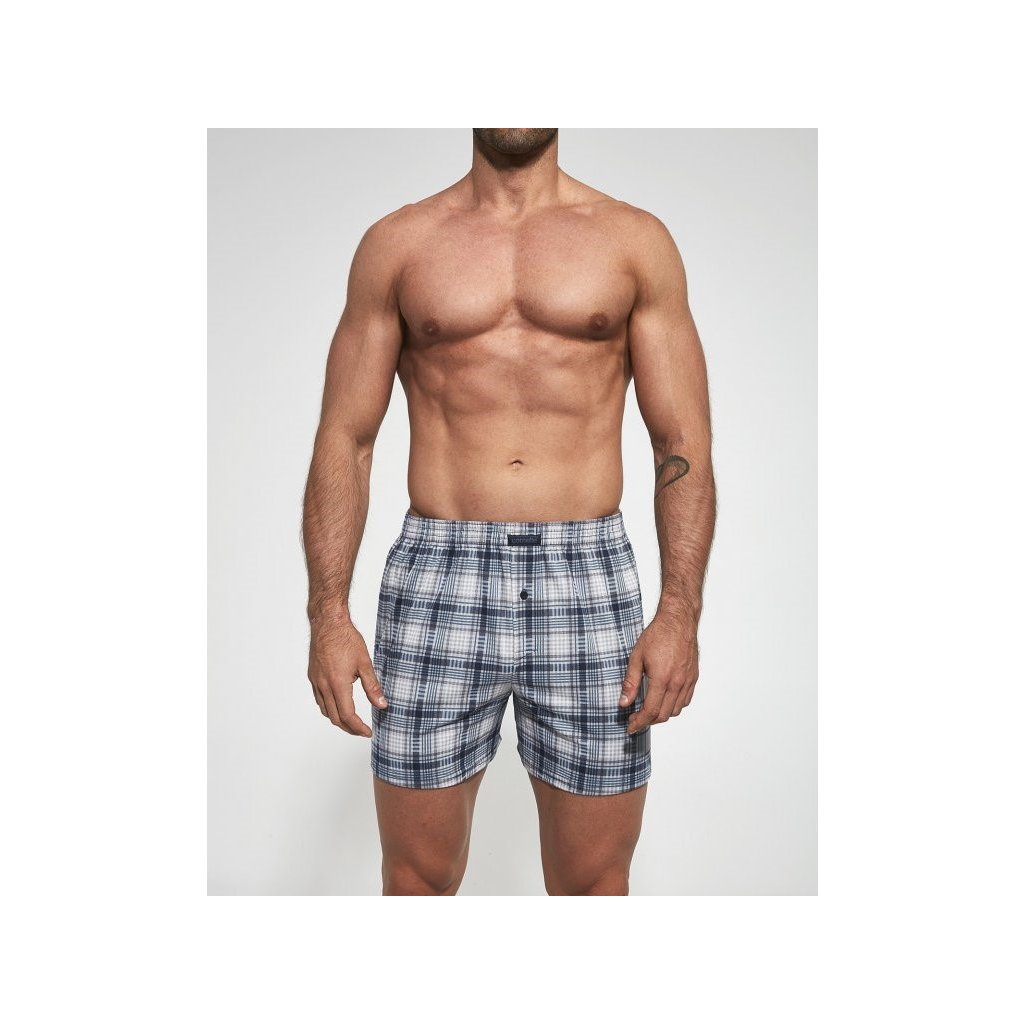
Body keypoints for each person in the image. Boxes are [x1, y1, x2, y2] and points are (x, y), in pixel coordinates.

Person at [302, 128, 716, 896]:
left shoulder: (633, 242)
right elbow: (346, 437)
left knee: (594, 885)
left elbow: (681, 440)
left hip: (586, 577)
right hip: (439, 573)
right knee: (416, 881)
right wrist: (327, 614)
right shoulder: (400, 244)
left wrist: (680, 612)